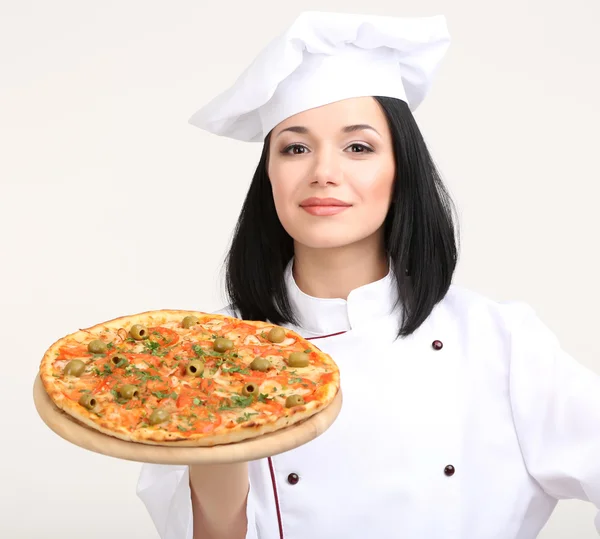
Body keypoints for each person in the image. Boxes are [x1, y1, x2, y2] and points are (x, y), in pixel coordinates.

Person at [136, 11, 600, 539]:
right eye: (295, 147)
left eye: (358, 147)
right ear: (270, 174)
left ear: (402, 168)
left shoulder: (499, 342)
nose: (323, 172)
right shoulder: (206, 354)